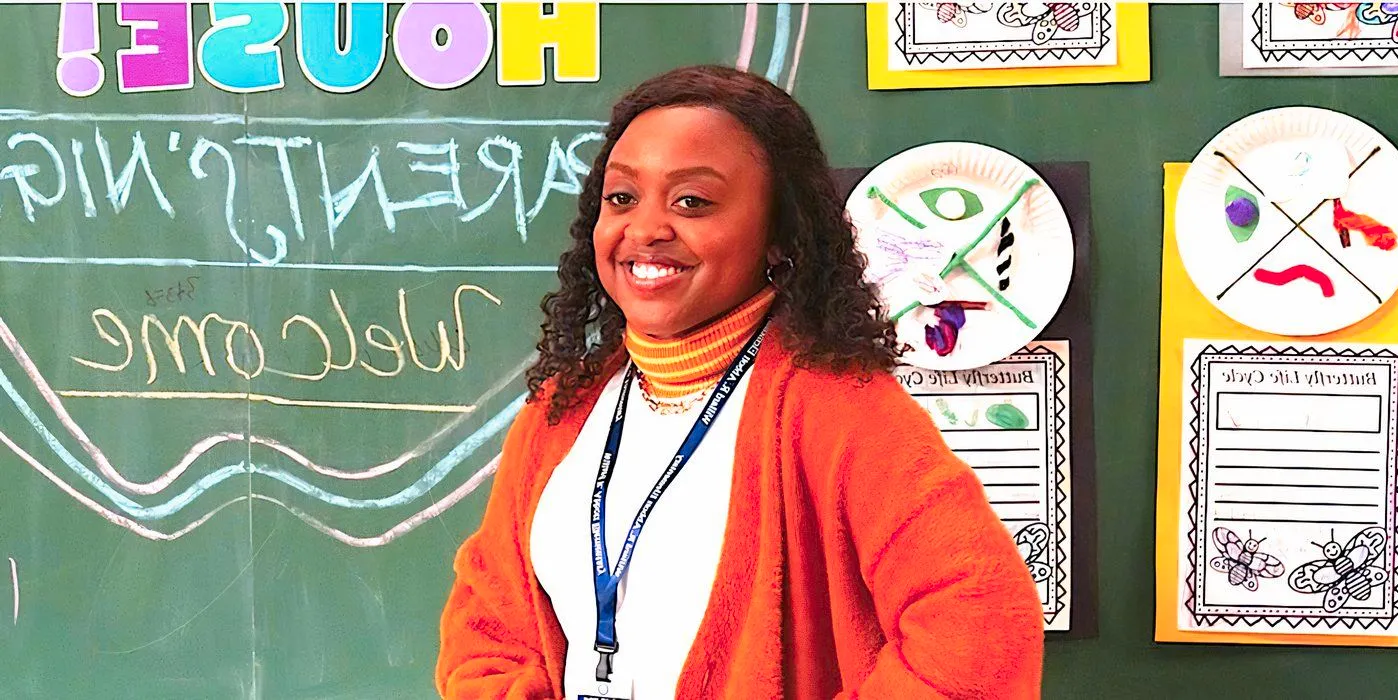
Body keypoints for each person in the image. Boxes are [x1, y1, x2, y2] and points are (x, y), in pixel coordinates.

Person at [436, 64, 1043, 699]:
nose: (644, 229)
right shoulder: (563, 410)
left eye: (692, 201)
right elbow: (487, 626)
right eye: (622, 198)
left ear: (779, 237)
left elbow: (981, 628)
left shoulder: (841, 410)